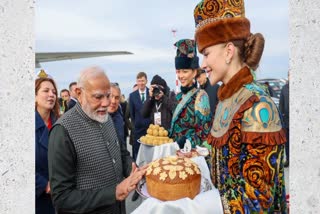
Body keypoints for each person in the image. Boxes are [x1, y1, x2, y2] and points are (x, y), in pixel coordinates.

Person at [193, 0, 287, 212]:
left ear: (228, 51)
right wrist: (198, 158)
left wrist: (193, 207)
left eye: (206, 53)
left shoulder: (257, 106)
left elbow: (259, 201)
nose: (202, 64)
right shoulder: (227, 100)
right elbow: (227, 166)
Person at [48, 66, 147, 214]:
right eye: (98, 97)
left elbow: (120, 152)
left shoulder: (106, 118)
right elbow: (62, 198)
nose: (107, 103)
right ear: (79, 93)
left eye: (108, 95)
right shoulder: (63, 131)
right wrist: (113, 193)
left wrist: (133, 170)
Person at [169, 39, 212, 149]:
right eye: (178, 71)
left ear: (194, 72)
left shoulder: (201, 97)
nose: (180, 76)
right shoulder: (177, 96)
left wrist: (185, 141)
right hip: (176, 155)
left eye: (185, 71)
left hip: (191, 157)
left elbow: (204, 133)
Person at [35, 73, 60, 214]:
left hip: (61, 196)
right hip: (38, 200)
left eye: (54, 92)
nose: (51, 95)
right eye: (46, 91)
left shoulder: (60, 124)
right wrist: (44, 185)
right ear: (34, 96)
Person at [108, 83, 126, 149]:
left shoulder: (119, 118)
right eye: (110, 96)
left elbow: (122, 148)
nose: (113, 101)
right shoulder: (95, 120)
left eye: (116, 98)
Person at [280, 76, 289, 167]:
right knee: (287, 142)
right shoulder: (284, 88)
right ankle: (288, 159)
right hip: (286, 120)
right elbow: (281, 103)